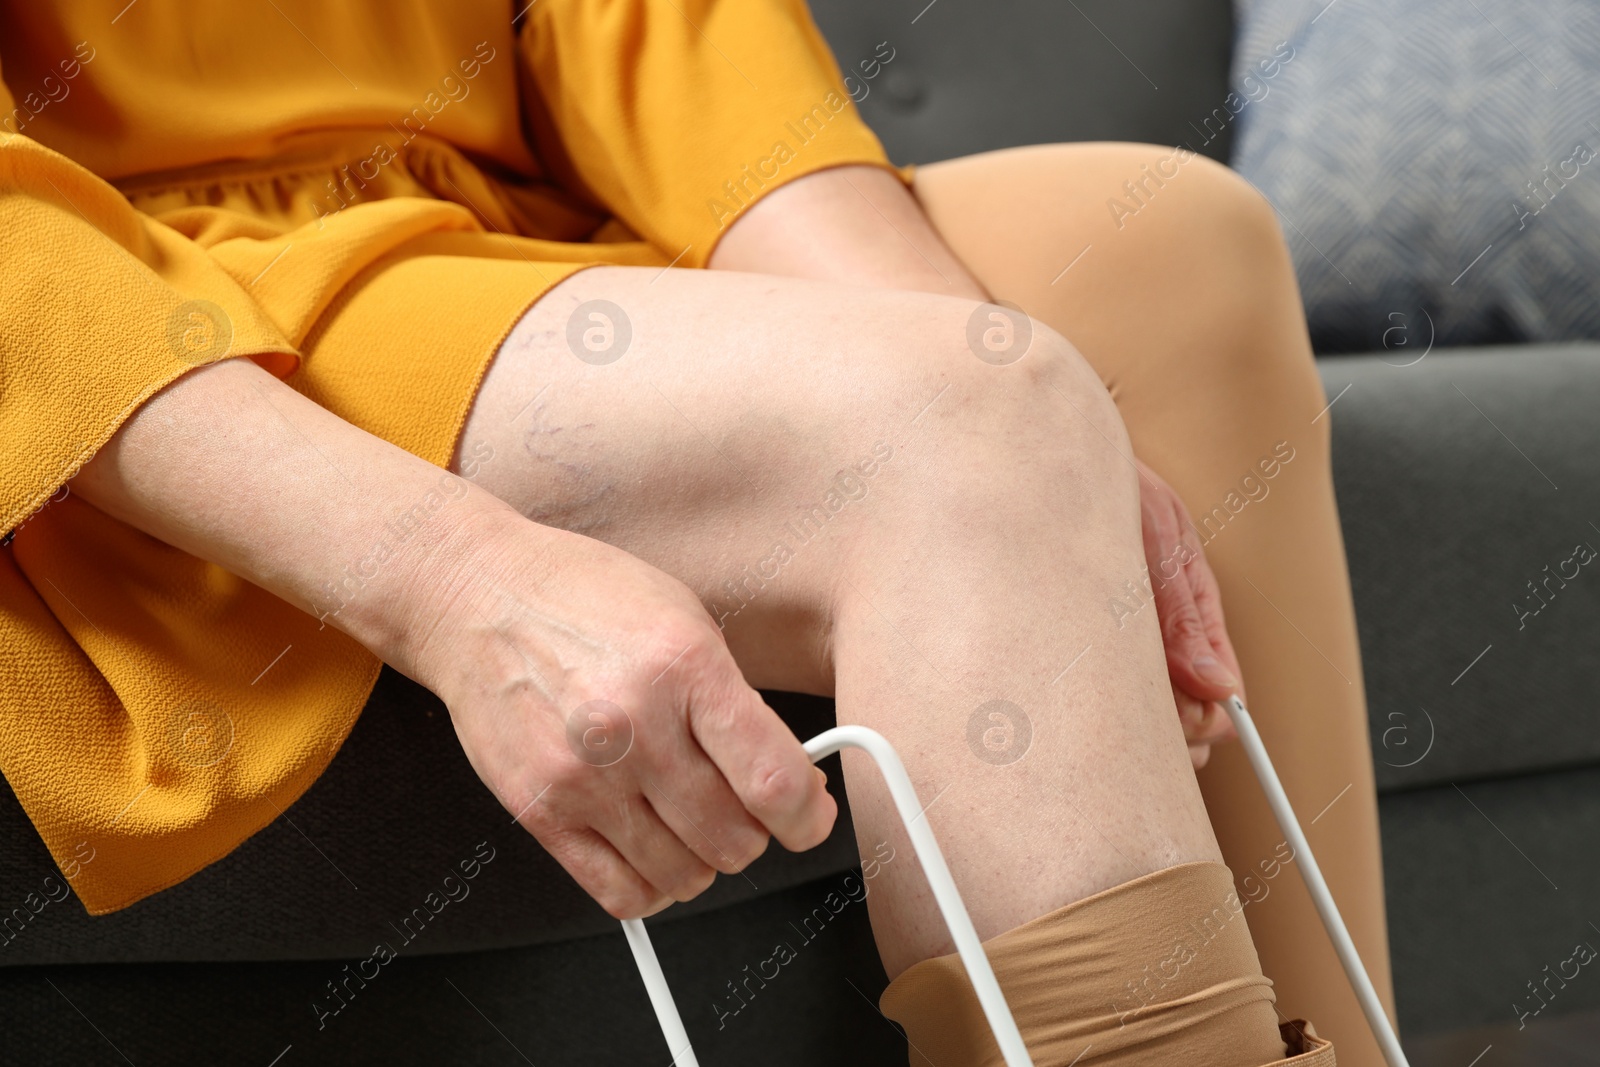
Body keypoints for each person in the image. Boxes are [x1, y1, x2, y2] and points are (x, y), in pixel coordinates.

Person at [0, 2, 1388, 1063]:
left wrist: (985, 349)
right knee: (967, 427)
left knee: (1173, 260)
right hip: (148, 300)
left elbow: (665, 36)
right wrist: (449, 574)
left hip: (509, 206)